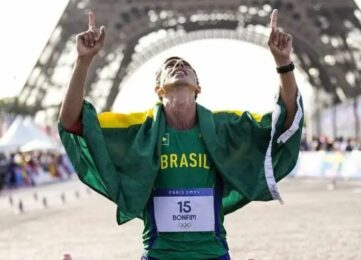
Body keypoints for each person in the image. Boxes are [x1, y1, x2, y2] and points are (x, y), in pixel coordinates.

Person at [59, 9, 303, 260]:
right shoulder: (137, 130)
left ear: (198, 87)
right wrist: (83, 61)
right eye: (170, 66)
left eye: (186, 65)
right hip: (159, 255)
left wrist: (284, 63)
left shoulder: (224, 127)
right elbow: (72, 122)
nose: (178, 66)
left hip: (212, 254)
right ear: (158, 89)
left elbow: (284, 123)